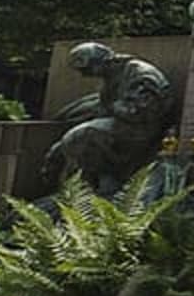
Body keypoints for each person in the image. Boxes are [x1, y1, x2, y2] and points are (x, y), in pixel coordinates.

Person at [45, 43, 175, 192]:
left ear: (100, 62)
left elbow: (140, 110)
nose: (84, 75)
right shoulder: (112, 76)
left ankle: (103, 187)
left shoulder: (141, 73)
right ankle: (84, 190)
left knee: (83, 135)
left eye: (86, 70)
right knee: (70, 141)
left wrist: (111, 107)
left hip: (141, 128)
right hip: (122, 124)